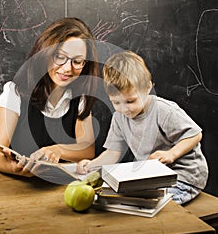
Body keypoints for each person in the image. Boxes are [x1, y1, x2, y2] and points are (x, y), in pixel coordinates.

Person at [77, 51, 209, 204]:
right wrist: (91, 165)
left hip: (183, 177)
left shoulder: (163, 110)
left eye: (130, 101)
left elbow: (195, 134)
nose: (124, 109)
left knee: (154, 205)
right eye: (116, 102)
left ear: (147, 88)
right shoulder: (119, 118)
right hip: (153, 178)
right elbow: (113, 152)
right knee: (118, 199)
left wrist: (171, 154)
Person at [0, 17, 99, 177]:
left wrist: (58, 150)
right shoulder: (15, 92)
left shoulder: (80, 97)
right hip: (18, 189)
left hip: (60, 189)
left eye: (77, 61)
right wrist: (15, 169)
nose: (68, 69)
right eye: (60, 57)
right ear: (45, 53)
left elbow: (87, 149)